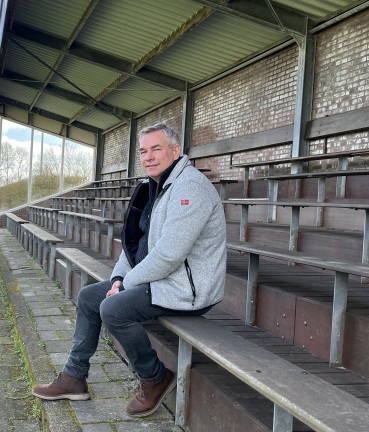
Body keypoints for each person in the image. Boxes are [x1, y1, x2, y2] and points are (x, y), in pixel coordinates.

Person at [32, 123, 227, 417]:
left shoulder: (190, 188)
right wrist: (119, 278)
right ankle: (74, 377)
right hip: (161, 280)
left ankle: (155, 378)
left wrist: (124, 286)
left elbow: (169, 255)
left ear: (175, 151)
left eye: (156, 149)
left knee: (113, 308)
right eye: (144, 151)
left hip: (188, 289)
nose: (148, 157)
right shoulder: (154, 187)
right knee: (89, 297)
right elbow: (134, 244)